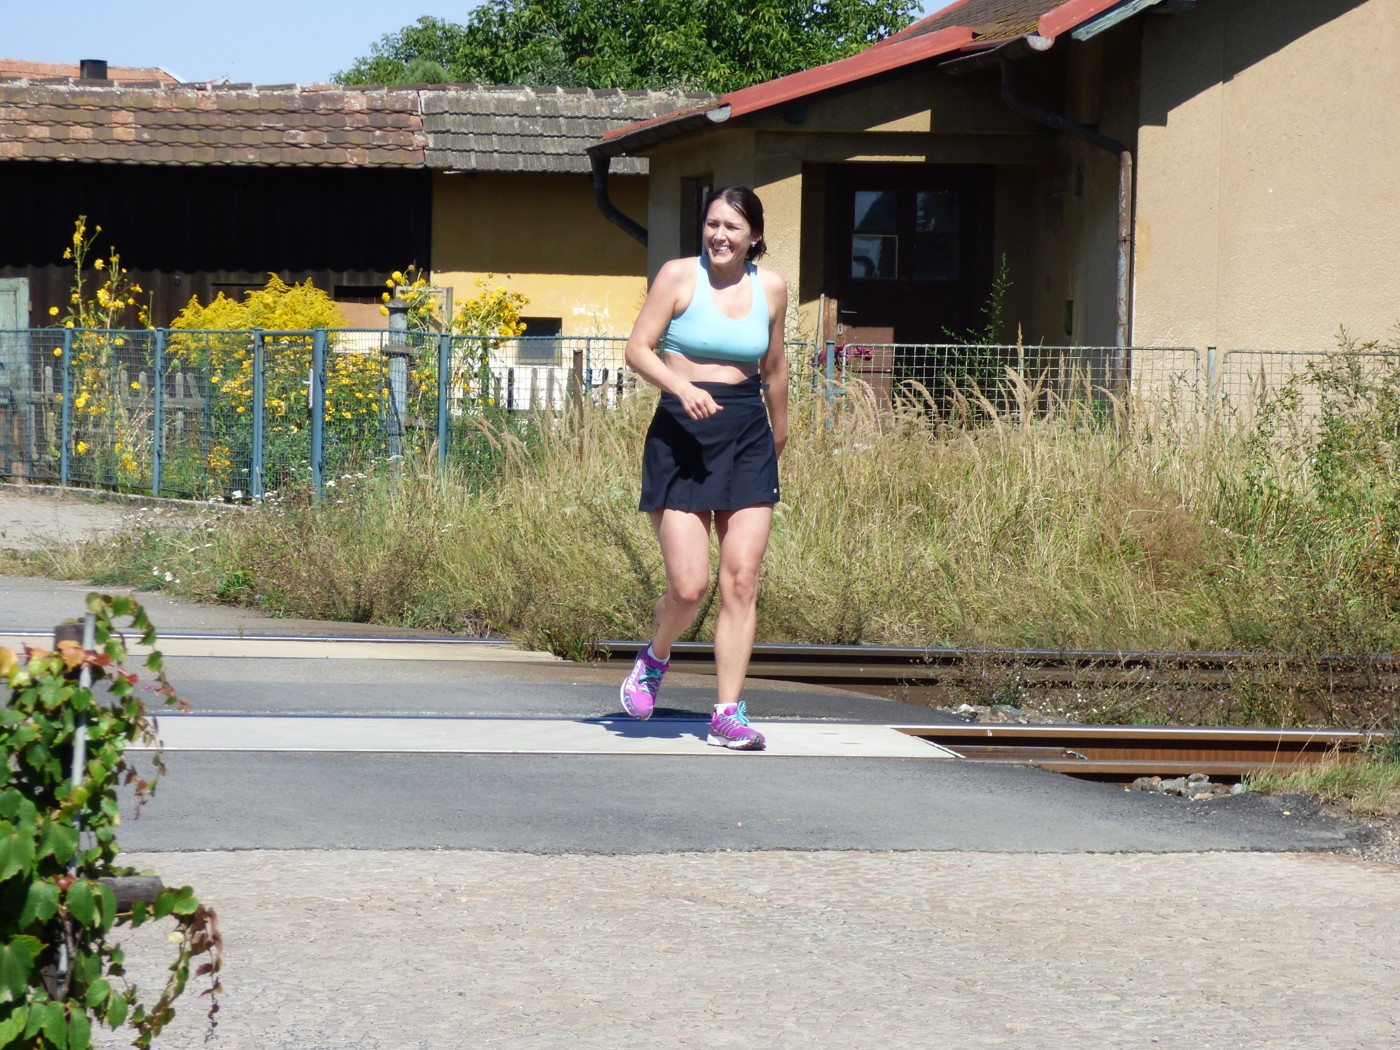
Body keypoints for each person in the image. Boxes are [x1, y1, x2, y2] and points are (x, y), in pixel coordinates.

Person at [618, 185, 789, 751]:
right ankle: (654, 657)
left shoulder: (771, 288)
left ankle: (727, 715)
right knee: (689, 588)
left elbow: (775, 367)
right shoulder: (678, 276)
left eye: (732, 227)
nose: (719, 235)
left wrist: (779, 432)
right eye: (712, 223)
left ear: (754, 236)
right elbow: (637, 349)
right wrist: (681, 386)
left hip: (747, 434)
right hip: (682, 433)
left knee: (741, 580)